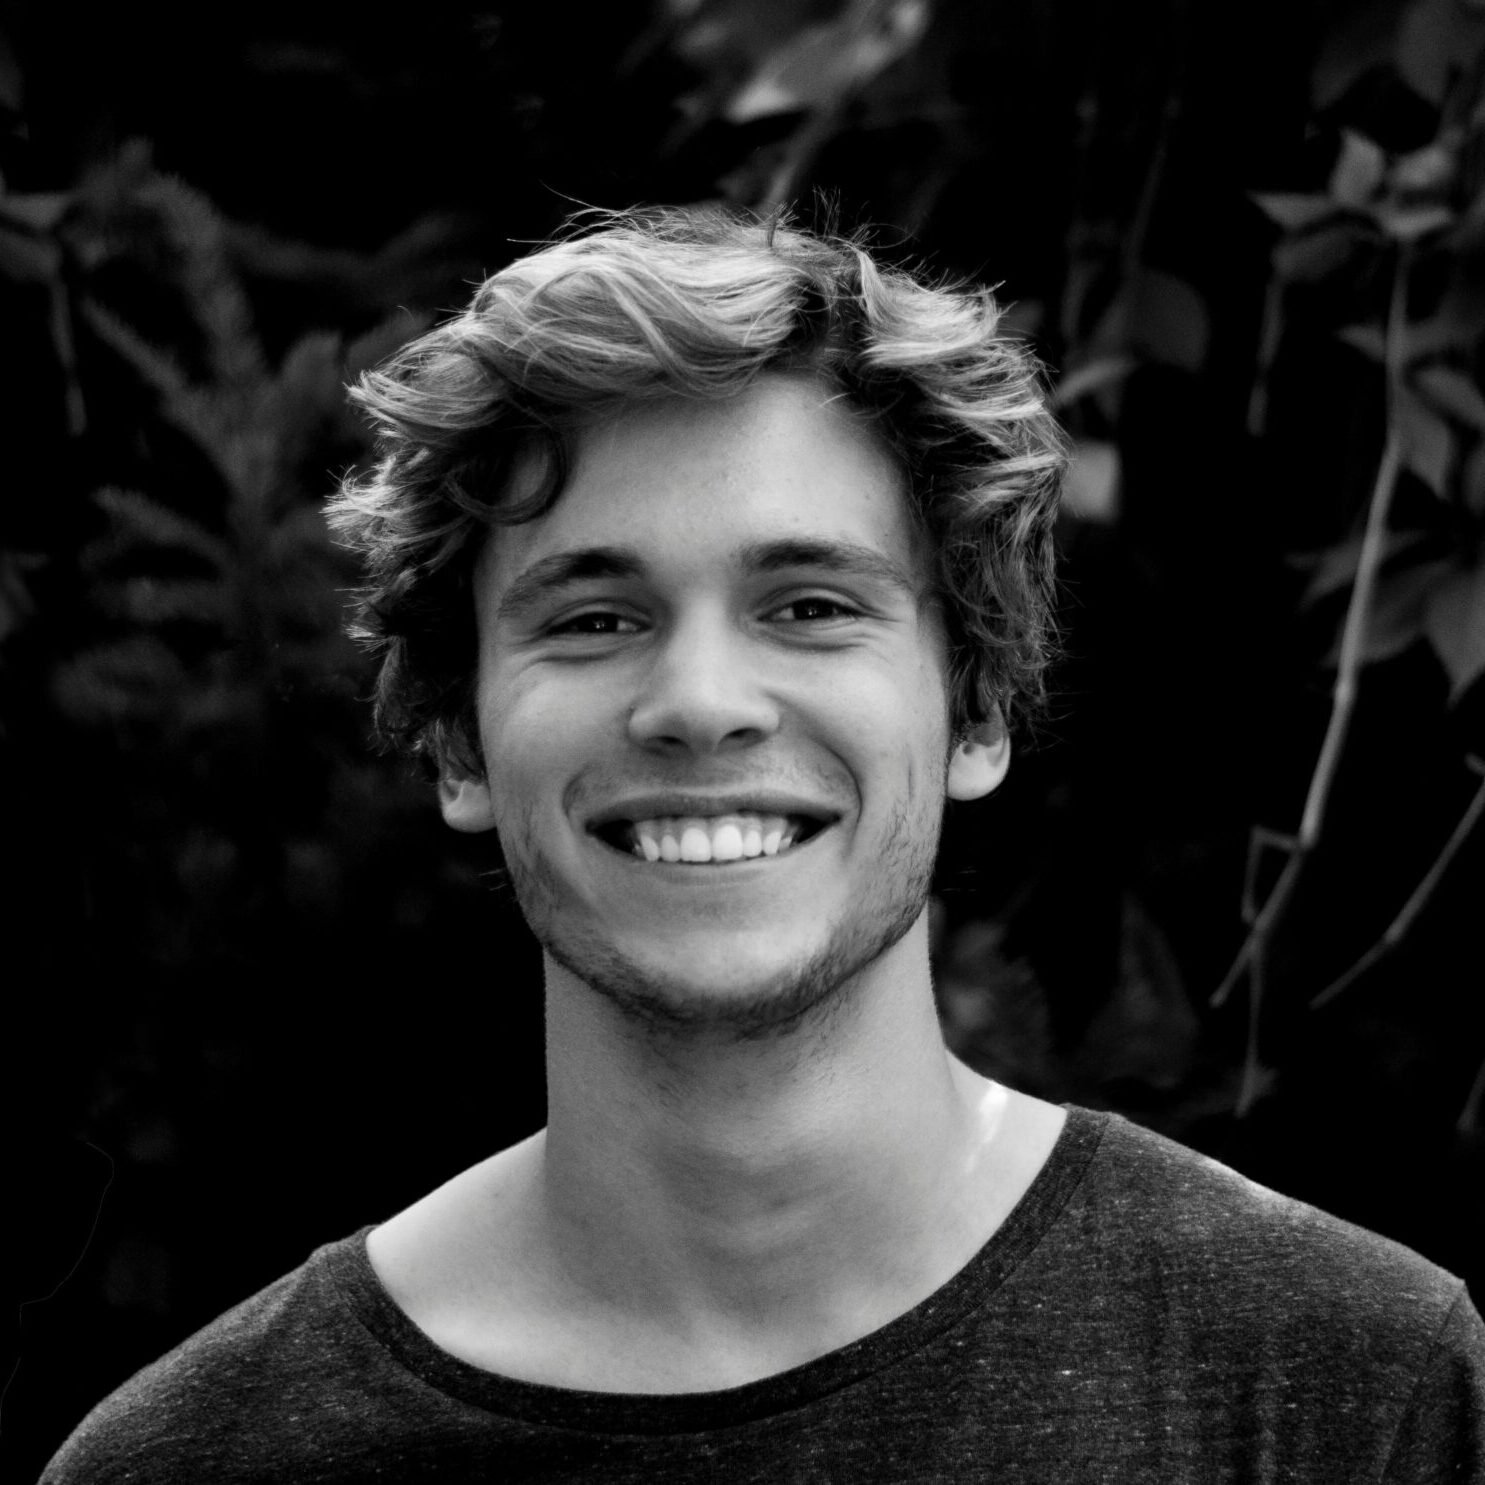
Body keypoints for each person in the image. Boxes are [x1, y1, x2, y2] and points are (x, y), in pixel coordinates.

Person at [42, 205, 1484, 1482]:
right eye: (593, 618)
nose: (699, 706)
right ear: (459, 738)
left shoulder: (1343, 1386)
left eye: (807, 604)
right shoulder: (199, 1458)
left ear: (975, 701)